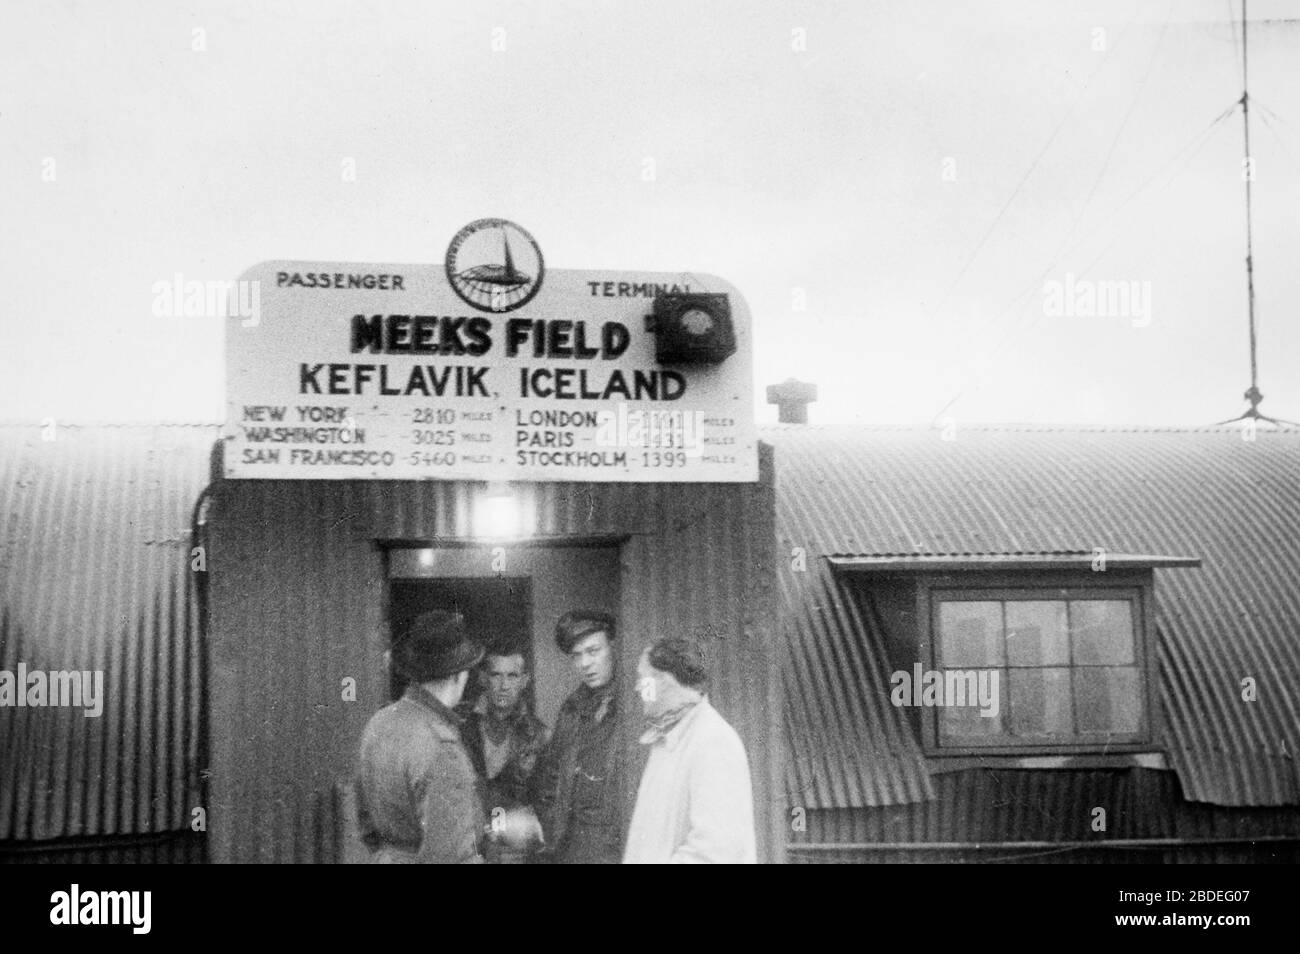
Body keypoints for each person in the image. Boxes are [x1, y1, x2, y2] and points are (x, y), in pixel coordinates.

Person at [355, 610, 486, 864]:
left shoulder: (378, 723)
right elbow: (452, 858)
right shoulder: (442, 747)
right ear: (459, 675)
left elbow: (366, 827)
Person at [623, 637, 757, 864]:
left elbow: (715, 851)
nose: (637, 687)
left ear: (665, 681)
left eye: (642, 679)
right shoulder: (667, 740)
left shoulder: (713, 742)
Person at [530, 610, 632, 864]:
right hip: (572, 849)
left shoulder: (634, 706)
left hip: (617, 849)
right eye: (577, 655)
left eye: (593, 651)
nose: (585, 663)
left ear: (613, 646)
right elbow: (550, 777)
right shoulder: (572, 708)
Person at [459, 649, 550, 862]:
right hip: (468, 849)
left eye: (512, 676)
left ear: (525, 680)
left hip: (515, 854)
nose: (504, 685)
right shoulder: (460, 725)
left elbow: (546, 805)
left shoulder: (539, 735)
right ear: (483, 678)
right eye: (496, 675)